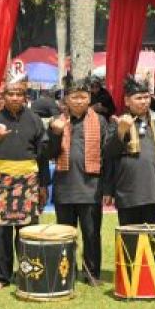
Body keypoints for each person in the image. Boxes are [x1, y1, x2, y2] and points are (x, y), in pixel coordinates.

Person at [0, 73, 48, 289]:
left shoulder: (35, 120)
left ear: (25, 96)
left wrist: (43, 185)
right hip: (1, 180)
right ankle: (0, 276)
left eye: (19, 93)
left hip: (28, 181)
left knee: (27, 230)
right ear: (4, 95)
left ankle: (28, 271)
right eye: (11, 93)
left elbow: (43, 155)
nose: (15, 97)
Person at [45, 75, 109, 285]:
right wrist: (55, 133)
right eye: (75, 97)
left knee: (92, 234)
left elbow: (107, 154)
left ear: (89, 98)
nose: (79, 101)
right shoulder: (58, 121)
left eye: (83, 97)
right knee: (65, 234)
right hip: (65, 186)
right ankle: (67, 272)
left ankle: (92, 273)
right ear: (66, 100)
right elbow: (48, 153)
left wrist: (107, 188)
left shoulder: (99, 121)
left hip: (91, 187)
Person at [104, 76, 155, 226]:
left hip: (154, 191)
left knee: (152, 239)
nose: (144, 101)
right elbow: (109, 155)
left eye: (147, 97)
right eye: (139, 98)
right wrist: (121, 132)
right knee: (130, 241)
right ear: (127, 101)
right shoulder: (118, 122)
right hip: (127, 192)